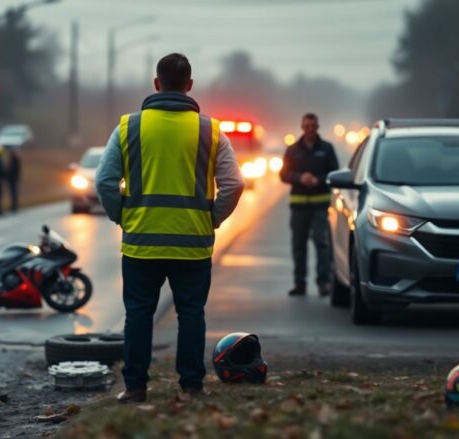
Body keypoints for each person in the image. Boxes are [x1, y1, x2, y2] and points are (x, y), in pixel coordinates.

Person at [95, 53, 244, 404]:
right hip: (192, 244)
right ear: (189, 85)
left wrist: (123, 216)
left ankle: (134, 388)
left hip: (141, 243)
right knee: (191, 313)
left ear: (156, 83)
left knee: (138, 314)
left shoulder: (128, 127)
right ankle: (191, 386)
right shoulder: (210, 130)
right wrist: (213, 218)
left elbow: (103, 182)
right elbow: (234, 184)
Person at [280, 113, 340, 297]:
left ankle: (324, 283)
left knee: (322, 244)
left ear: (318, 127)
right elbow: (283, 175)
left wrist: (318, 180)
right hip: (298, 207)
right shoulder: (292, 150)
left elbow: (334, 173)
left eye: (313, 126)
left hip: (320, 207)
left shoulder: (327, 148)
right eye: (306, 126)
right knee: (298, 246)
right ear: (302, 127)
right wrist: (300, 178)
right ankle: (300, 283)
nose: (310, 130)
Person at [6, 148, 21, 212]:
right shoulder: (12, 160)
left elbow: (15, 170)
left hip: (13, 179)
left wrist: (9, 172)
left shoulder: (15, 160)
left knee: (13, 193)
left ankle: (14, 206)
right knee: (13, 193)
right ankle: (13, 206)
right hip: (11, 179)